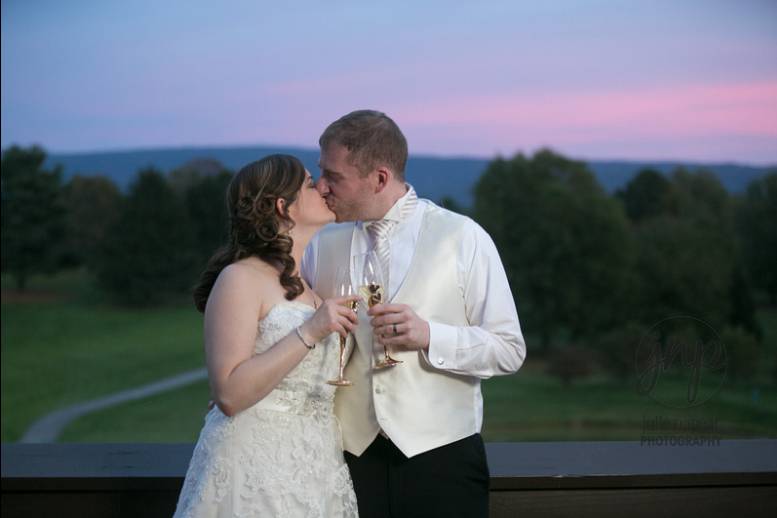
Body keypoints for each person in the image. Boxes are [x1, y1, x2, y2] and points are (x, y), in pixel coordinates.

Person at [302, 110, 527, 518]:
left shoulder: (464, 238)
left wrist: (429, 336)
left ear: (380, 178)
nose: (321, 187)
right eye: (322, 173)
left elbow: (509, 349)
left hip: (442, 462)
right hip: (345, 461)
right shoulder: (320, 244)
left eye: (333, 177)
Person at [173, 154, 360, 517]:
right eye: (309, 183)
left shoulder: (312, 287)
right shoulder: (240, 278)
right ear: (282, 206)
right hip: (254, 470)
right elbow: (228, 394)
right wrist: (310, 330)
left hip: (317, 469)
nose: (323, 186)